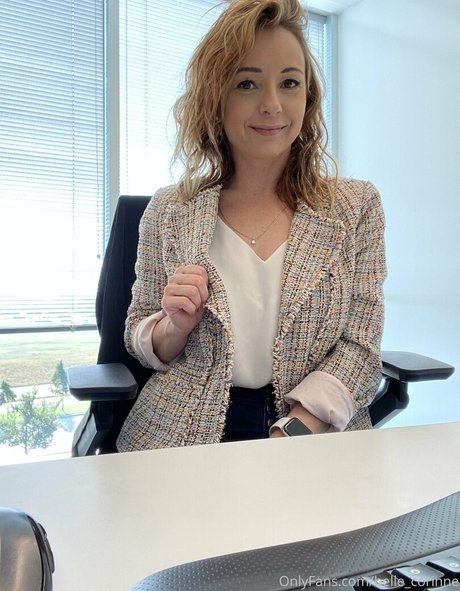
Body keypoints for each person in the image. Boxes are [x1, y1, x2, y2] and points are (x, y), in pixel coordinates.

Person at [116, 0, 386, 452]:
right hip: (180, 436)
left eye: (289, 83)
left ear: (308, 97)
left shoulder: (355, 207)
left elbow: (360, 348)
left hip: (312, 435)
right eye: (247, 83)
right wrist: (173, 326)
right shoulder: (170, 210)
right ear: (216, 97)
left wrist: (294, 430)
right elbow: (138, 336)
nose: (272, 105)